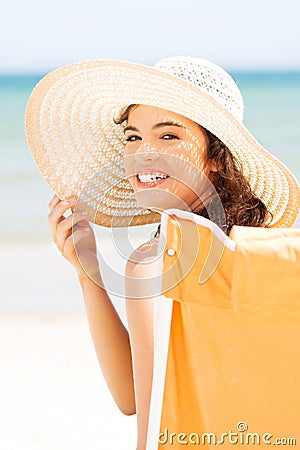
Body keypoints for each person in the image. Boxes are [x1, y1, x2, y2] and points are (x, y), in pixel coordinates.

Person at [25, 56, 300, 450]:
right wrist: (89, 273)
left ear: (214, 157)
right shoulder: (267, 252)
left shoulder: (153, 262)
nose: (143, 152)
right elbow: (135, 393)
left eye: (168, 136)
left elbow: (148, 420)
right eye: (133, 137)